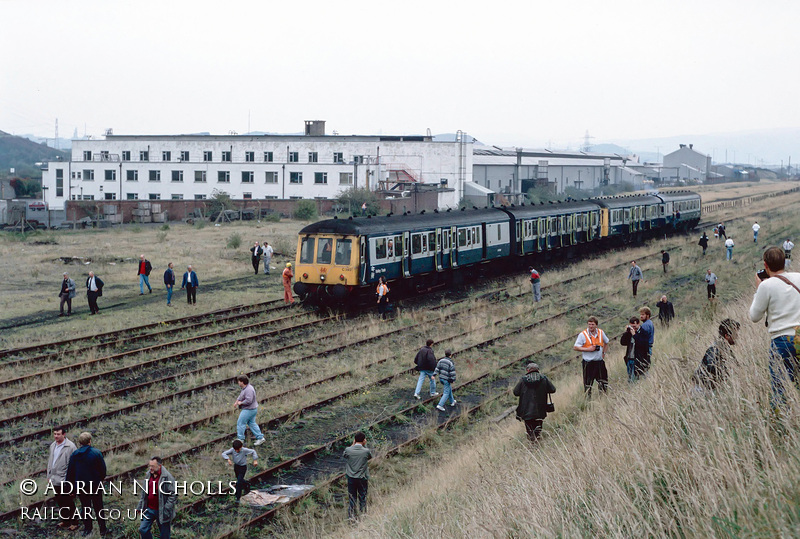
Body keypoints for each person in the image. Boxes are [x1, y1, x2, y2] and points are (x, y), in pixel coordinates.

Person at [749, 246, 800, 401]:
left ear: (766, 265)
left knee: (780, 392)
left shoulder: (766, 286)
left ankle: (780, 423)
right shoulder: (798, 277)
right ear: (784, 262)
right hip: (799, 335)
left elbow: (754, 316)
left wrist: (758, 289)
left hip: (781, 341)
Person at [66, 432, 107, 537]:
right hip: (95, 486)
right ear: (90, 441)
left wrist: (70, 489)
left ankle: (88, 529)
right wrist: (100, 480)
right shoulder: (96, 453)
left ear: (80, 443)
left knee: (85, 507)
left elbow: (70, 472)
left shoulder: (75, 455)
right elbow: (103, 470)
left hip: (81, 487)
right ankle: (103, 529)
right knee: (98, 507)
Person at [513, 362, 556, 441]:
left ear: (527, 370)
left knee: (529, 430)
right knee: (538, 429)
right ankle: (537, 442)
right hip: (540, 410)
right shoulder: (543, 378)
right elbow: (553, 389)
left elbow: (516, 392)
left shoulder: (523, 380)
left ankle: (532, 443)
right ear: (538, 370)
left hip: (526, 410)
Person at [136, 456, 177, 539]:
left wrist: (166, 509)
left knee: (164, 536)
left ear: (159, 466)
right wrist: (140, 506)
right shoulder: (148, 475)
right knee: (143, 529)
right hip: (149, 509)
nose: (150, 468)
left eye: (153, 466)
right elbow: (144, 493)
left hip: (162, 511)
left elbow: (173, 494)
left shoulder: (168, 477)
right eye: (149, 466)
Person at [693, 319, 739, 391]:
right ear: (727, 336)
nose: (737, 336)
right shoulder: (714, 349)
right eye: (735, 334)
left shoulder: (725, 348)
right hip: (703, 390)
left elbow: (736, 366)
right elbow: (711, 367)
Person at [47, 426, 78, 530]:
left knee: (68, 501)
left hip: (65, 479)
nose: (56, 436)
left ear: (64, 434)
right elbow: (50, 462)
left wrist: (72, 482)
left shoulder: (71, 447)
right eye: (54, 434)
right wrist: (49, 476)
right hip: (55, 479)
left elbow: (74, 465)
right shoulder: (53, 445)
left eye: (58, 434)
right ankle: (65, 520)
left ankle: (74, 522)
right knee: (60, 501)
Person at [573, 316, 609, 396]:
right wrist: (588, 349)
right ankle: (588, 401)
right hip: (588, 363)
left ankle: (603, 399)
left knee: (603, 382)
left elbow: (606, 342)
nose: (591, 326)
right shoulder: (583, 334)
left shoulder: (600, 332)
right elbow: (575, 347)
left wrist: (603, 353)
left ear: (596, 325)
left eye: (592, 324)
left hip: (599, 362)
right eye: (589, 324)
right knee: (588, 384)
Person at [343, 432, 372, 521]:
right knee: (362, 497)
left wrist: (353, 445)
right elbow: (369, 457)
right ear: (364, 440)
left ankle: (351, 516)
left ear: (355, 440)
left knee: (352, 497)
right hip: (362, 478)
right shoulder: (366, 451)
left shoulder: (348, 450)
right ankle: (363, 516)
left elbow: (344, 455)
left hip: (351, 477)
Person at [234, 375, 266, 446]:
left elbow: (249, 400)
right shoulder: (245, 388)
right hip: (252, 409)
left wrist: (240, 403)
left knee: (240, 423)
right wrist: (237, 401)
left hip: (249, 410)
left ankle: (240, 439)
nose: (238, 383)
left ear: (242, 382)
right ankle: (260, 438)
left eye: (239, 381)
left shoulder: (249, 390)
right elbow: (241, 395)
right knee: (252, 423)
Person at [620, 317, 642, 382]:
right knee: (630, 378)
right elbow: (622, 342)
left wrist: (635, 335)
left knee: (635, 379)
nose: (633, 328)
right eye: (632, 326)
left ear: (638, 324)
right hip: (629, 358)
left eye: (635, 326)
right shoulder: (629, 333)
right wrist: (627, 332)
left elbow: (642, 344)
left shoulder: (642, 332)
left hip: (637, 359)